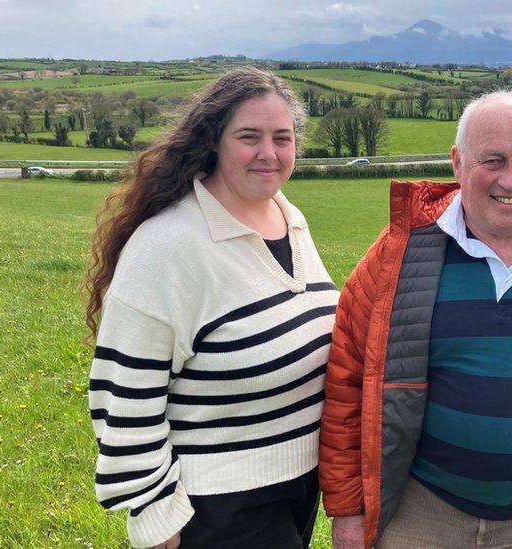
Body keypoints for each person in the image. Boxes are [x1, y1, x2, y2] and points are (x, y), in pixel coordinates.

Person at [319, 90, 512, 549]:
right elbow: (347, 382)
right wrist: (346, 510)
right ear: (457, 162)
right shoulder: (398, 255)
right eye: (492, 160)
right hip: (419, 514)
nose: (510, 180)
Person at [85, 67, 338, 548]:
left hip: (298, 488)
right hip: (218, 504)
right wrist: (156, 514)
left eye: (282, 138)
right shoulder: (168, 245)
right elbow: (122, 391)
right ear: (214, 143)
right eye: (250, 137)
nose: (269, 153)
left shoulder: (288, 216)